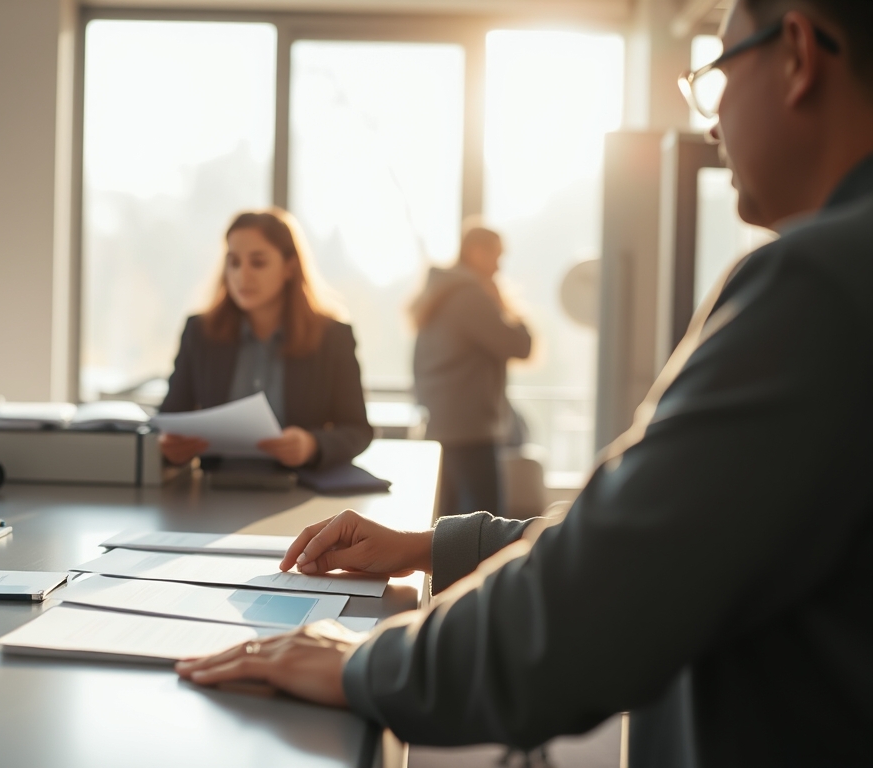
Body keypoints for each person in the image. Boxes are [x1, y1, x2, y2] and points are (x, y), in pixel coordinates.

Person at [177, 1, 873, 765]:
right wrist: (428, 545)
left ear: (798, 54)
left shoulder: (822, 283)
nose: (710, 124)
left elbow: (597, 600)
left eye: (715, 78)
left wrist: (359, 662)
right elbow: (649, 539)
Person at [157, 210, 372, 470]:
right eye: (234, 262)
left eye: (258, 263)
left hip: (301, 490)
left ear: (290, 268)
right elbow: (169, 419)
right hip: (212, 491)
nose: (242, 276)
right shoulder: (200, 332)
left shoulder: (333, 337)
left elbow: (357, 430)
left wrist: (311, 445)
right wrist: (169, 448)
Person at [408, 222, 531, 517]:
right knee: (484, 525)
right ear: (476, 252)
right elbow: (519, 345)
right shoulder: (470, 296)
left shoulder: (442, 293)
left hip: (441, 421)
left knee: (447, 520)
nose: (499, 267)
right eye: (497, 256)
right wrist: (502, 302)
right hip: (469, 428)